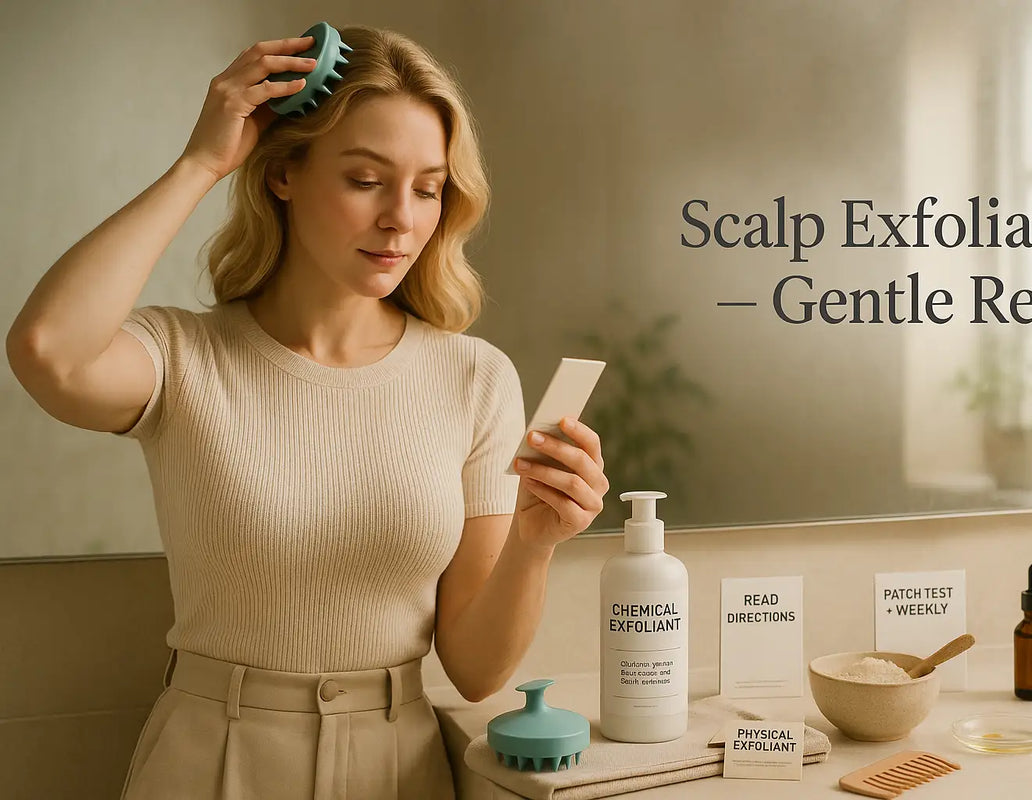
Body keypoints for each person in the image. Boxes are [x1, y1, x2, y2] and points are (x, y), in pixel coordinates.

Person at [6, 25, 608, 799]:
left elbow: (476, 670)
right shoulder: (184, 357)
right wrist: (200, 163)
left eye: (428, 188)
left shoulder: (474, 377)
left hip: (399, 770)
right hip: (210, 763)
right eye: (366, 179)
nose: (401, 218)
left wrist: (534, 543)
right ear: (283, 173)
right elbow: (48, 351)